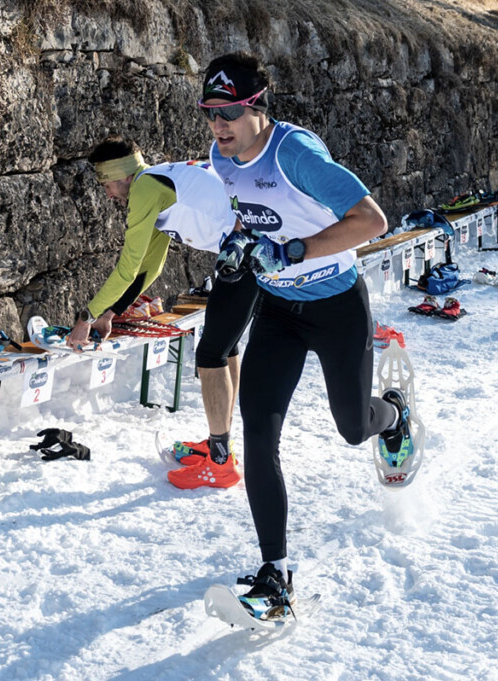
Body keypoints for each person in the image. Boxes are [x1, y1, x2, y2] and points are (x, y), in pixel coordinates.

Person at [199, 52, 414, 617]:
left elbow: (372, 221)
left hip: (338, 308)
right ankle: (276, 573)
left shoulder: (294, 153)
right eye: (210, 113)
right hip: (278, 311)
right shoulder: (222, 159)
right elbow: (251, 212)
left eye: (229, 112)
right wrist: (240, 241)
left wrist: (295, 250)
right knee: (258, 434)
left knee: (353, 428)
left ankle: (393, 412)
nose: (218, 125)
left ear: (257, 106)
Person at [71, 136, 260, 490]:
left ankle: (220, 462)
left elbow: (127, 268)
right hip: (246, 248)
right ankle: (221, 445)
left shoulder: (145, 188)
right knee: (225, 346)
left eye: (106, 183)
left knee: (211, 353)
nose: (107, 194)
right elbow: (151, 268)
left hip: (248, 250)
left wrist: (86, 317)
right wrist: (111, 313)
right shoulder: (157, 181)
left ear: (122, 174)